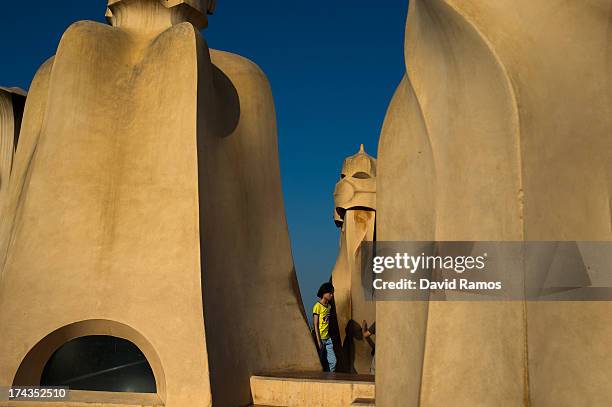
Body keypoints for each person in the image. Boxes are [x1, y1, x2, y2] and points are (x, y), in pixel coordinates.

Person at [313, 282, 336, 372]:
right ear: (324, 293)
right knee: (320, 362)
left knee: (333, 362)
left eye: (332, 293)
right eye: (330, 293)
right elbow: (315, 324)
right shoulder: (317, 306)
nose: (331, 295)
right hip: (320, 339)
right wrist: (318, 341)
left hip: (328, 339)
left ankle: (330, 379)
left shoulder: (329, 306)